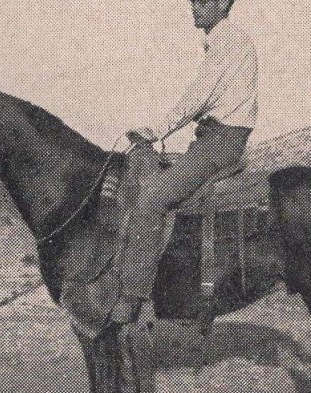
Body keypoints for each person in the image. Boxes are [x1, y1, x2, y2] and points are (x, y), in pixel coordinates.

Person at [111, 0, 258, 324]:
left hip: (220, 142)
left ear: (223, 4)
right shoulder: (223, 40)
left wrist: (157, 130)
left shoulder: (229, 40)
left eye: (203, 2)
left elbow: (199, 95)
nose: (194, 7)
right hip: (212, 139)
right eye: (192, 1)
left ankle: (131, 297)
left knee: (152, 199)